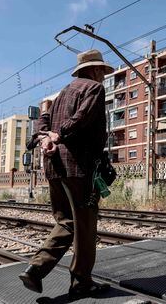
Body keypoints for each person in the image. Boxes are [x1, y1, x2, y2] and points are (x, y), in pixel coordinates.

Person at [19, 49, 114, 300]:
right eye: (102, 72)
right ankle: (82, 283)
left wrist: (43, 136)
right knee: (84, 226)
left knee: (66, 222)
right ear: (94, 70)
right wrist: (59, 134)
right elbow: (82, 117)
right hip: (78, 166)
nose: (103, 76)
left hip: (53, 166)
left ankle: (35, 269)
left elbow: (44, 117)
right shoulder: (94, 88)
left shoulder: (62, 93)